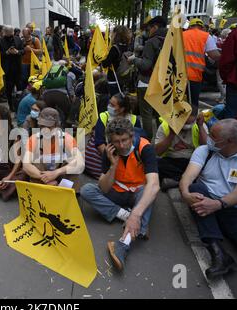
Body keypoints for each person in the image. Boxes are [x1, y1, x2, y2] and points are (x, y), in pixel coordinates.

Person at [179, 119, 237, 284]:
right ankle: (218, 254)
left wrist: (218, 204)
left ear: (230, 141)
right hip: (206, 203)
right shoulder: (204, 151)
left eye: (213, 136)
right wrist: (184, 192)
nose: (208, 138)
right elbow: (188, 176)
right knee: (195, 189)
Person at [80, 118, 160, 271]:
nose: (121, 145)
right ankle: (129, 218)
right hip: (117, 191)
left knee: (149, 192)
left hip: (138, 192)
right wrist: (113, 165)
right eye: (116, 141)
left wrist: (135, 214)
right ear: (110, 141)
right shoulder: (109, 151)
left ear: (132, 136)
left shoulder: (145, 147)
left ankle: (122, 244)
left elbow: (154, 184)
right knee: (87, 190)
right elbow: (104, 187)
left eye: (124, 140)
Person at [22, 107, 84, 189]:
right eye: (42, 126)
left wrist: (56, 173)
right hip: (41, 176)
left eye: (49, 127)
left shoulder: (67, 138)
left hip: (61, 176)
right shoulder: (34, 139)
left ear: (57, 126)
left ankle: (68, 195)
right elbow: (26, 165)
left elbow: (80, 163)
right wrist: (46, 178)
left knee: (73, 163)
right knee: (35, 162)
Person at [86, 93, 143, 180]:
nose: (109, 106)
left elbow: (138, 144)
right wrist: (111, 159)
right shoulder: (104, 117)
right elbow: (99, 144)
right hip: (105, 156)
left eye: (112, 105)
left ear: (122, 109)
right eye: (109, 103)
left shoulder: (134, 121)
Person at [128, 16, 167, 141]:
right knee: (160, 114)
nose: (148, 31)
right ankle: (162, 140)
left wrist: (134, 60)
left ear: (155, 27)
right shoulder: (171, 40)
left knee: (146, 114)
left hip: (147, 82)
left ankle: (147, 141)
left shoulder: (152, 42)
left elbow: (146, 65)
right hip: (165, 82)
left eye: (149, 28)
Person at [155, 113, 208, 191]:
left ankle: (177, 181)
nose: (186, 125)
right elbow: (157, 152)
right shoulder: (165, 125)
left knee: (208, 165)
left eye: (189, 123)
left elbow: (207, 147)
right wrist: (171, 135)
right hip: (171, 161)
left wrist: (200, 127)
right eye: (183, 123)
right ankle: (188, 180)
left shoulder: (200, 124)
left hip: (193, 161)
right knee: (154, 163)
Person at [183, 18, 221, 114]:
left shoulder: (181, 35)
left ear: (189, 26)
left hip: (179, 75)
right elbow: (214, 55)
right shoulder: (206, 36)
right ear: (201, 27)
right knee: (193, 104)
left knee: (179, 103)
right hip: (195, 76)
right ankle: (192, 125)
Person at [101, 25, 132, 97]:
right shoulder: (128, 47)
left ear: (116, 34)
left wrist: (103, 58)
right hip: (124, 78)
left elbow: (105, 64)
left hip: (114, 79)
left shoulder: (115, 48)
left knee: (114, 102)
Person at [0, 25, 24, 112]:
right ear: (5, 33)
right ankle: (11, 106)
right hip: (8, 70)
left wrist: (17, 52)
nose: (10, 35)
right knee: (9, 90)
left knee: (20, 89)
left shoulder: (18, 39)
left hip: (18, 69)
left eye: (11, 34)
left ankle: (19, 106)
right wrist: (7, 52)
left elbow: (23, 50)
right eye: (8, 34)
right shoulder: (0, 41)